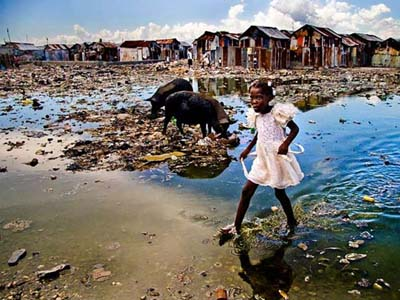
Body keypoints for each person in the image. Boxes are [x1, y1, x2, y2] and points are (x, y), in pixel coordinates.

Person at [221, 80, 304, 236]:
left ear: (268, 98)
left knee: (279, 193)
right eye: (251, 98)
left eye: (258, 97)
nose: (254, 102)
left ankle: (292, 221)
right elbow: (259, 133)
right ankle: (236, 227)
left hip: (277, 157)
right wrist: (247, 149)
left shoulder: (277, 113)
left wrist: (285, 144)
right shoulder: (256, 115)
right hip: (262, 158)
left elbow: (294, 129)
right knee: (246, 191)